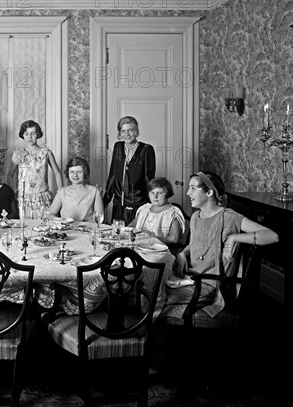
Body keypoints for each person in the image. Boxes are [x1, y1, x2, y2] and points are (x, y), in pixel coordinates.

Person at [162, 171, 278, 319]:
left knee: (156, 298)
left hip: (209, 285)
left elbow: (272, 236)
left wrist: (235, 237)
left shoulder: (229, 217)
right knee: (150, 289)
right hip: (190, 278)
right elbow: (195, 244)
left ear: (209, 192)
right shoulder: (197, 216)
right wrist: (183, 254)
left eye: (193, 188)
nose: (187, 192)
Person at [104, 116, 155, 224]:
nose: (127, 134)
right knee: (117, 238)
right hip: (118, 205)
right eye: (123, 131)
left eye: (130, 130)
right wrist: (104, 201)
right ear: (120, 134)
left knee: (135, 238)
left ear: (136, 132)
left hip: (138, 205)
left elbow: (148, 179)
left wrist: (150, 205)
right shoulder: (118, 147)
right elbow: (113, 175)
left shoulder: (146, 149)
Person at [8, 120, 63, 215]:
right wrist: (12, 194)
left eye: (33, 133)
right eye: (26, 134)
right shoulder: (18, 154)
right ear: (23, 135)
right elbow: (10, 175)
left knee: (44, 226)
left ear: (37, 134)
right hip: (24, 199)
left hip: (42, 199)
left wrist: (61, 193)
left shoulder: (46, 153)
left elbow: (57, 173)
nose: (29, 137)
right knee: (25, 228)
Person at [130, 177, 185, 246]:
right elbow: (131, 227)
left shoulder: (173, 213)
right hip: (141, 247)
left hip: (162, 250)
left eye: (159, 193)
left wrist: (151, 238)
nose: (155, 196)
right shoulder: (145, 209)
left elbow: (174, 239)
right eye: (152, 192)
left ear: (167, 194)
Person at [48, 156, 104, 222]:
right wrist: (61, 220)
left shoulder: (94, 191)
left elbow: (99, 218)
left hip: (88, 230)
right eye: (72, 172)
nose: (75, 175)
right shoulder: (62, 192)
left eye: (79, 172)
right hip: (68, 230)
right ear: (68, 173)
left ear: (85, 173)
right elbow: (50, 215)